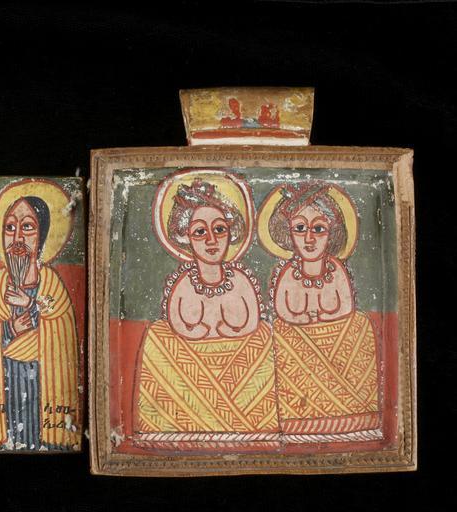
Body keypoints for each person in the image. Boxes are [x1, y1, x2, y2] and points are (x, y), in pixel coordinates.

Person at [134, 175, 279, 449]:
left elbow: (255, 326)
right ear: (185, 237)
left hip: (241, 376)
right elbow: (175, 326)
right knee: (158, 338)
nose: (211, 240)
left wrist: (228, 333)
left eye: (220, 229)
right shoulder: (183, 285)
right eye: (200, 232)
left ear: (231, 233)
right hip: (189, 376)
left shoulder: (241, 281)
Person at [263, 181, 382, 441]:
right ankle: (299, 418)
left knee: (361, 324)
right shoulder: (287, 273)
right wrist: (302, 320)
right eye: (300, 228)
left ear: (332, 232)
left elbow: (347, 310)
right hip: (298, 349)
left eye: (318, 229)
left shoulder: (336, 270)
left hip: (335, 343)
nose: (309, 239)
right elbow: (282, 312)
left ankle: (352, 409)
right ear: (287, 232)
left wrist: (324, 321)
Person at [0, 180, 80, 451]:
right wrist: (10, 329)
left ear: (42, 236)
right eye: (9, 228)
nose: (17, 239)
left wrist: (31, 304)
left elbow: (62, 333)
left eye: (27, 227)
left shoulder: (52, 284)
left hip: (44, 384)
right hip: (6, 385)